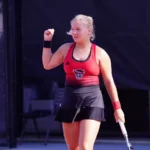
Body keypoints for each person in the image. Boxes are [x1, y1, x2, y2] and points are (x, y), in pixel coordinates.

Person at [42, 14, 125, 150]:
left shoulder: (100, 53)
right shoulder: (65, 49)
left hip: (92, 101)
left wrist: (117, 108)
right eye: (72, 29)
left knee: (85, 146)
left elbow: (109, 81)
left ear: (89, 31)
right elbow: (47, 64)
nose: (73, 32)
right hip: (70, 100)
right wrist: (47, 41)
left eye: (78, 29)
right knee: (73, 147)